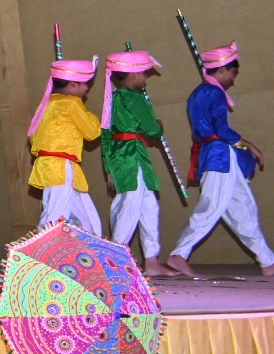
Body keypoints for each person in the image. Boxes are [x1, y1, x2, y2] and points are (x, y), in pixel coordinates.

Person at [166, 43, 274, 277]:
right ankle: (179, 254)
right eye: (232, 73)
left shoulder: (198, 93)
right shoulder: (214, 93)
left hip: (218, 156)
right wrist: (249, 145)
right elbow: (221, 129)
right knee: (211, 207)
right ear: (223, 69)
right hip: (219, 156)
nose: (233, 80)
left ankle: (267, 261)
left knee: (243, 209)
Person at [100, 51, 175, 277]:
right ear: (132, 75)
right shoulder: (134, 98)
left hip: (121, 158)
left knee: (148, 207)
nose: (145, 78)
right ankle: (115, 261)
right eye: (143, 73)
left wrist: (109, 169)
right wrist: (159, 125)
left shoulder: (111, 99)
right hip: (133, 157)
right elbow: (151, 129)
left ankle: (151, 261)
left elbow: (105, 137)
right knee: (130, 207)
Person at [27, 56, 104, 234]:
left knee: (87, 217)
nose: (87, 88)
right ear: (73, 85)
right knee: (54, 215)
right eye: (85, 84)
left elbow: (33, 137)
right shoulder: (72, 103)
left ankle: (93, 246)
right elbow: (92, 132)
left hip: (50, 166)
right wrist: (90, 114)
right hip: (61, 167)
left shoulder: (46, 104)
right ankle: (41, 249)